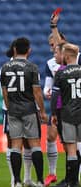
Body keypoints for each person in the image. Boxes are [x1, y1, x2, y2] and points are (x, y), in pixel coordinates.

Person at [0, 37, 48, 187]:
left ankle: (17, 181)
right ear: (29, 50)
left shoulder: (5, 67)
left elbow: (5, 92)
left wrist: (9, 107)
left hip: (13, 110)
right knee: (35, 144)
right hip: (29, 109)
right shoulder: (32, 67)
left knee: (15, 145)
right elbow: (37, 91)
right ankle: (40, 180)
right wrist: (42, 110)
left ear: (14, 49)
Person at [2, 41, 36, 187]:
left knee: (27, 143)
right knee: (13, 143)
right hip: (14, 109)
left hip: (17, 108)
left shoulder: (24, 66)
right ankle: (14, 179)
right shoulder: (8, 67)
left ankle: (27, 178)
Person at [51, 43, 81, 187]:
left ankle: (73, 182)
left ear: (67, 56)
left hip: (68, 114)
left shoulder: (61, 73)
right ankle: (73, 181)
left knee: (71, 149)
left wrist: (54, 113)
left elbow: (55, 96)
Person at [43, 33, 66, 187]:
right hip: (58, 105)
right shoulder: (50, 63)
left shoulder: (77, 58)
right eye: (50, 45)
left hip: (74, 105)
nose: (52, 48)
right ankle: (52, 173)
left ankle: (74, 176)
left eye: (54, 45)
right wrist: (47, 92)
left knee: (72, 142)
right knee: (51, 136)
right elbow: (47, 86)